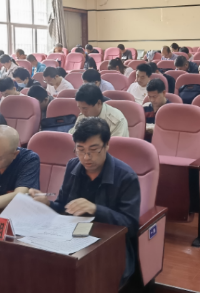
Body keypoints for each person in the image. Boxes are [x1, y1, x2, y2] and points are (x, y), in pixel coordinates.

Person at [30, 117, 140, 283]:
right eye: (80, 150)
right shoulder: (72, 166)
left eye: (93, 150)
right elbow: (64, 207)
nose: (86, 157)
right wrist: (48, 204)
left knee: (87, 278)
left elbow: (131, 226)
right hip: (72, 238)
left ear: (107, 145)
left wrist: (96, 209)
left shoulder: (126, 176)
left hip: (110, 246)